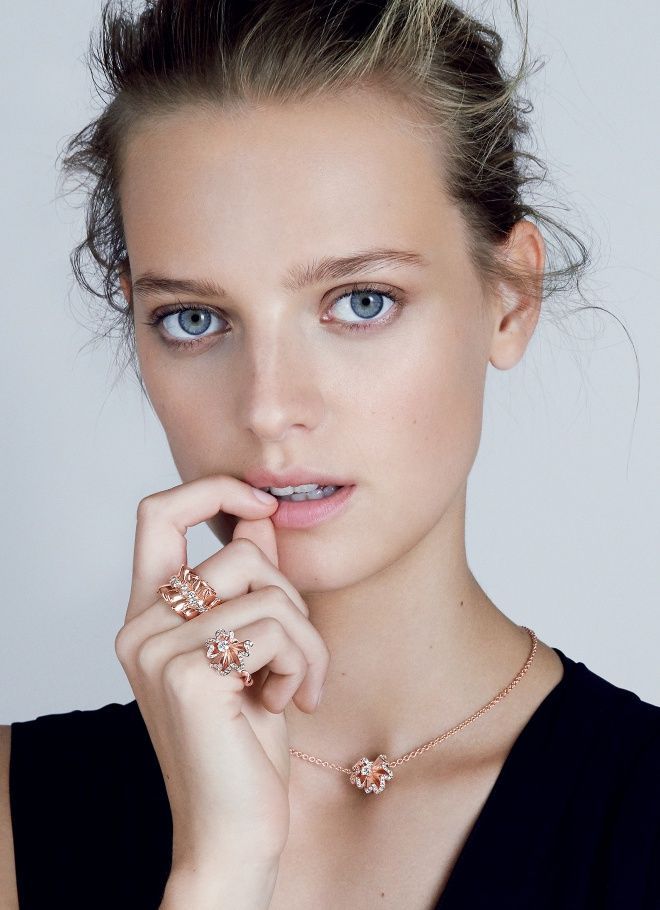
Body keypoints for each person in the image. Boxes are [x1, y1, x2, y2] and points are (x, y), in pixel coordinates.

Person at [1, 0, 658, 907]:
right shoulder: (14, 818)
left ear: (510, 296)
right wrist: (220, 868)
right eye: (193, 319)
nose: (270, 408)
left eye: (361, 302)